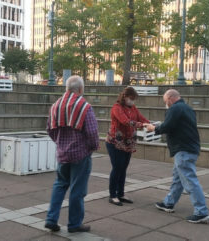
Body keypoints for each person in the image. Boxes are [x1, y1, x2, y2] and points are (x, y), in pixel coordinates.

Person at [144, 89, 209, 224]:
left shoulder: (175, 109)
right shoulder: (187, 108)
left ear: (170, 98)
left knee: (189, 180)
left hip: (183, 149)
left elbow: (167, 126)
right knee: (178, 178)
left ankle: (201, 212)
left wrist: (153, 129)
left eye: (165, 101)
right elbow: (177, 126)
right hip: (190, 148)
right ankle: (169, 203)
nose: (166, 104)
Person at [45, 75, 99, 233]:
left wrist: (60, 143)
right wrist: (92, 147)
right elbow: (92, 132)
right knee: (77, 189)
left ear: (66, 88)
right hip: (80, 155)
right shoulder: (84, 106)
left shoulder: (56, 105)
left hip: (62, 154)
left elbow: (49, 129)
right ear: (80, 89)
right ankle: (74, 224)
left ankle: (51, 218)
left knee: (60, 185)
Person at [106, 87, 149, 206]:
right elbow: (125, 121)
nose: (132, 101)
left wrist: (149, 124)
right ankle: (112, 195)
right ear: (125, 97)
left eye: (134, 99)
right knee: (117, 168)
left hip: (127, 143)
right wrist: (142, 125)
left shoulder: (133, 108)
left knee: (123, 169)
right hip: (115, 142)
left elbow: (140, 117)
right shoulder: (117, 108)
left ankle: (121, 194)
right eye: (131, 99)